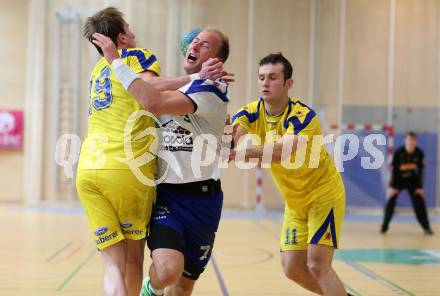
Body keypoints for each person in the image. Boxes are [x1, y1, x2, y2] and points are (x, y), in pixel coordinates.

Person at [78, 7, 225, 296]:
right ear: (121, 37)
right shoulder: (136, 56)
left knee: (111, 267)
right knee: (133, 260)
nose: (133, 32)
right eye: (129, 28)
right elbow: (150, 89)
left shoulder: (98, 70)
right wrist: (194, 77)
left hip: (87, 169)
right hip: (126, 171)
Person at [230, 52, 351, 296]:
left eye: (273, 77)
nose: (265, 83)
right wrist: (224, 141)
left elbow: (280, 152)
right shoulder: (251, 111)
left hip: (323, 195)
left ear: (288, 84)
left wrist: (239, 155)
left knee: (317, 265)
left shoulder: (303, 117)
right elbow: (232, 136)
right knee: (292, 268)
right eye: (261, 77)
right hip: (295, 204)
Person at [381, 131, 434, 235]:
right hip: (399, 180)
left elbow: (421, 171)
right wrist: (393, 187)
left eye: (413, 140)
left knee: (419, 202)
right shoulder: (398, 153)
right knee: (391, 201)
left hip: (412, 181)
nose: (411, 142)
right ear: (405, 140)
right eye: (409, 140)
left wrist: (420, 187)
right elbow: (394, 171)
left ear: (416, 142)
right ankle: (384, 227)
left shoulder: (419, 153)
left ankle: (426, 228)